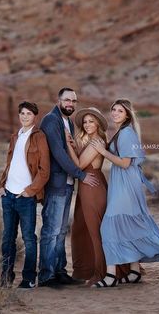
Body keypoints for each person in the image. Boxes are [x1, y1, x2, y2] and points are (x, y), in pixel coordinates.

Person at [90, 98, 159, 288]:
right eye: (113, 110)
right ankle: (135, 271)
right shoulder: (122, 131)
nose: (115, 113)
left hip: (126, 185)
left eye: (120, 111)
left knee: (109, 227)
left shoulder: (126, 133)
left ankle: (110, 276)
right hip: (123, 183)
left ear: (127, 114)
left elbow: (125, 163)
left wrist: (103, 152)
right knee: (128, 225)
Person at [38, 87, 100, 288]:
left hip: (66, 184)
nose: (70, 104)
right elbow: (58, 152)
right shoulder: (51, 120)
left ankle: (59, 271)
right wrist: (81, 174)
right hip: (56, 183)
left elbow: (70, 150)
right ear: (58, 100)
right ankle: (47, 276)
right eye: (67, 100)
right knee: (51, 230)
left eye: (73, 101)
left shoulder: (69, 122)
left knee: (62, 230)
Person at [0, 101, 50, 289]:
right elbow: (9, 164)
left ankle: (28, 278)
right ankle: (6, 276)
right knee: (7, 238)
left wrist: (30, 191)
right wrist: (1, 185)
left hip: (25, 198)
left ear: (35, 116)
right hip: (8, 195)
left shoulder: (39, 137)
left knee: (28, 238)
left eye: (28, 113)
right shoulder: (15, 136)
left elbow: (45, 170)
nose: (25, 116)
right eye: (22, 113)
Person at [66, 107, 109, 286]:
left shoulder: (96, 141)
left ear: (98, 123)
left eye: (92, 121)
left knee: (94, 231)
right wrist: (75, 145)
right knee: (79, 229)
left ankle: (101, 272)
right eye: (85, 121)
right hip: (84, 187)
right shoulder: (88, 141)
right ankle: (84, 270)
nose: (88, 124)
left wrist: (67, 145)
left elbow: (80, 165)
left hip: (93, 187)